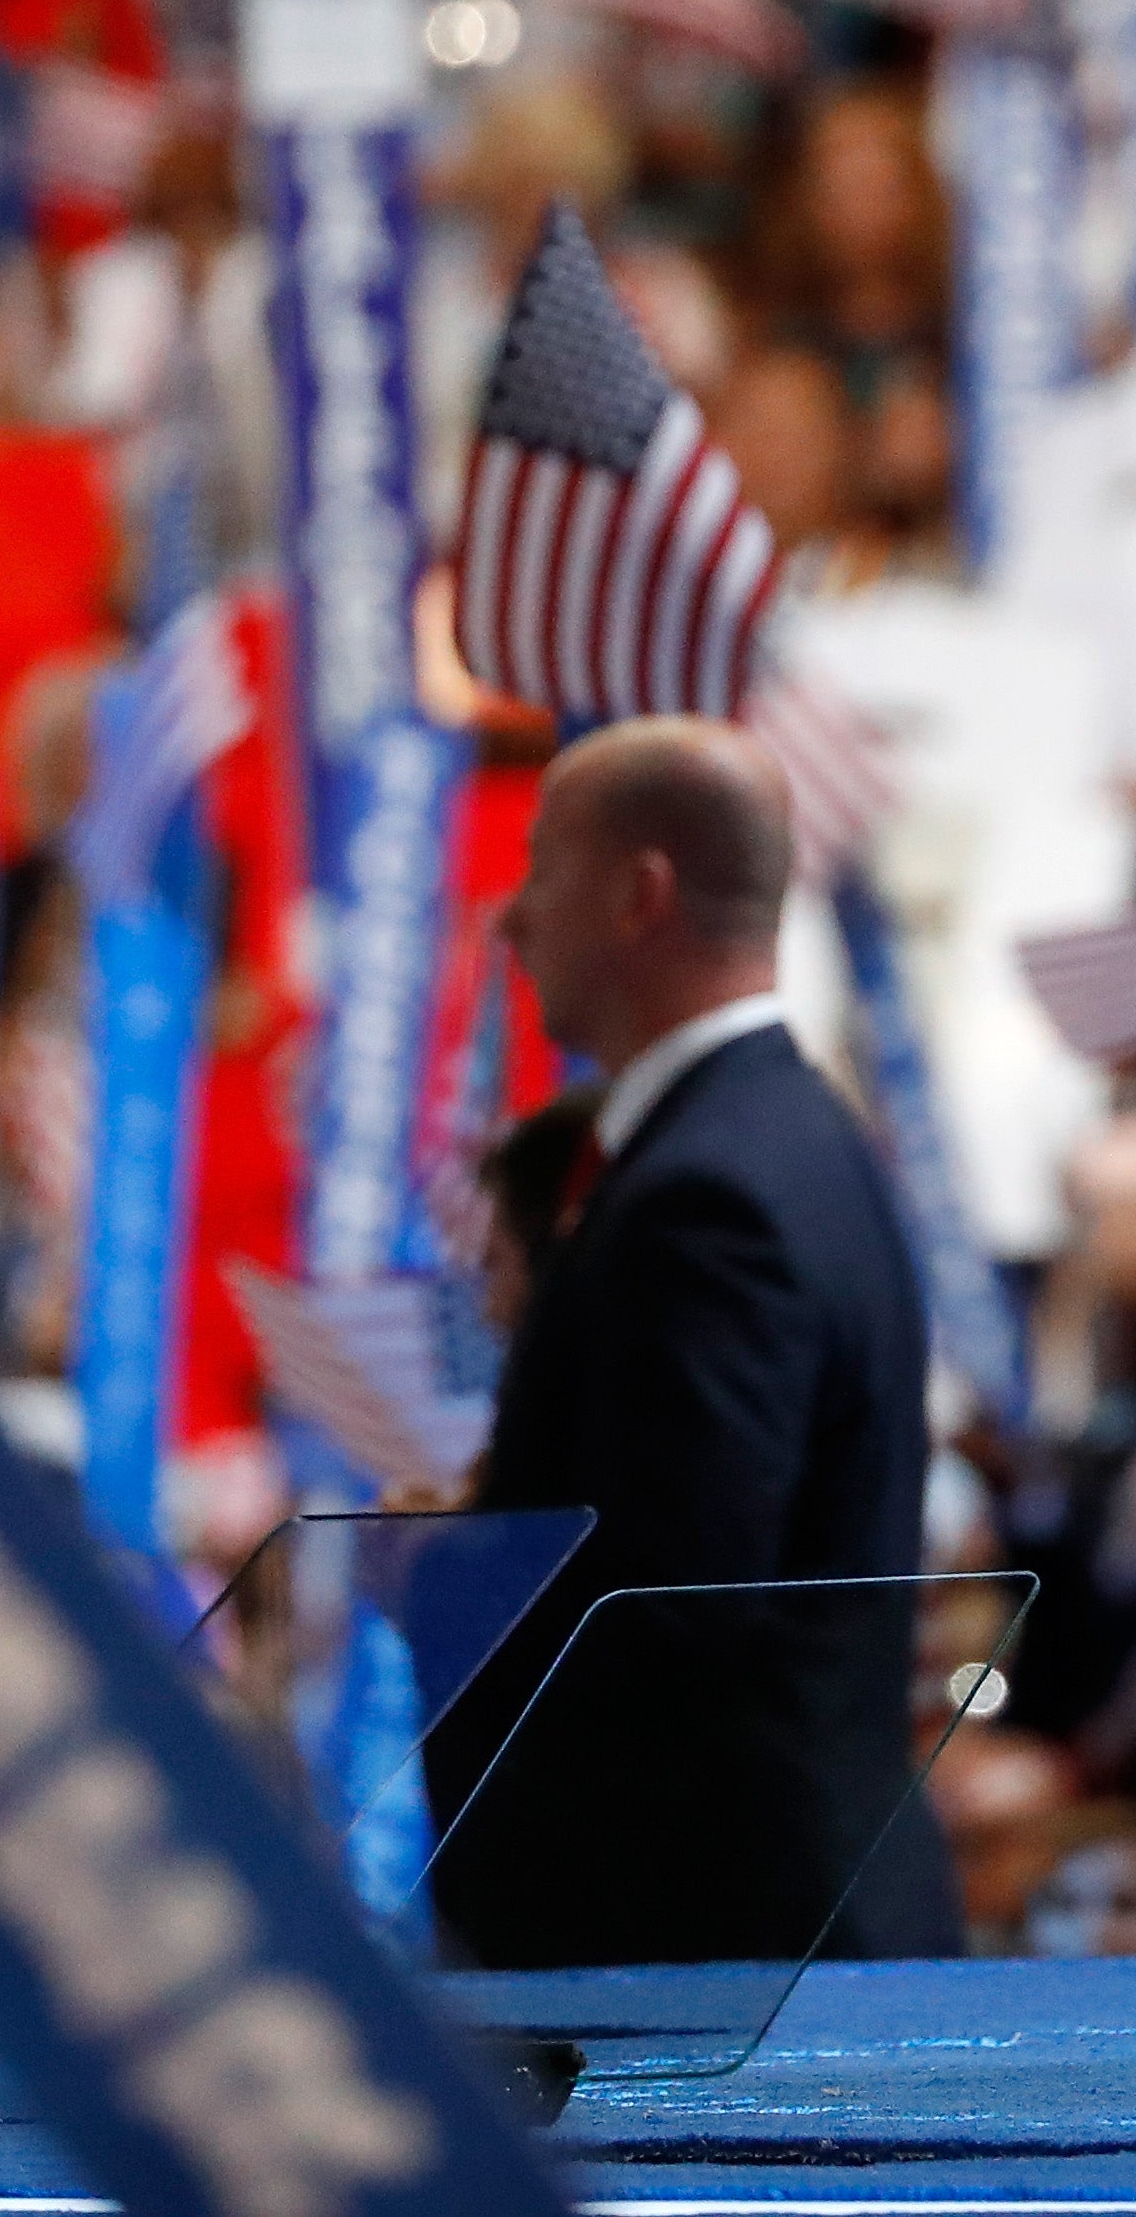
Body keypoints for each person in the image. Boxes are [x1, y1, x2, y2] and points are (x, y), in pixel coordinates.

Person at [425, 719, 960, 1968]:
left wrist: (444, 1571)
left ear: (637, 893)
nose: (508, 920)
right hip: (763, 1934)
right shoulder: (785, 1137)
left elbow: (670, 1605)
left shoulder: (705, 1196)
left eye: (537, 870)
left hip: (724, 1965)